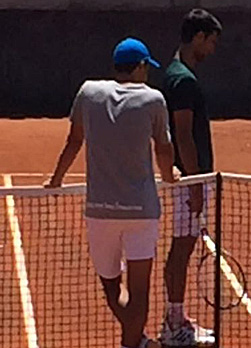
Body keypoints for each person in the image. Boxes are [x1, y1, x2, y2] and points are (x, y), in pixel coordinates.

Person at [45, 37, 176, 348]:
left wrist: (56, 179)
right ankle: (136, 341)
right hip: (142, 212)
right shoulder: (154, 99)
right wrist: (170, 177)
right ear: (142, 66)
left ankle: (133, 343)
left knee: (111, 285)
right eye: (147, 67)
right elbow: (164, 148)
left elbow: (73, 140)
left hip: (100, 211)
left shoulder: (88, 92)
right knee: (139, 291)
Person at [159, 8, 222, 347]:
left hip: (188, 177)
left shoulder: (176, 73)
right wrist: (196, 183)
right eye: (210, 41)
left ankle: (175, 318)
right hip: (189, 180)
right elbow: (183, 135)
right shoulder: (183, 80)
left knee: (182, 246)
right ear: (198, 37)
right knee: (181, 248)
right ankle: (173, 324)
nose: (212, 48)